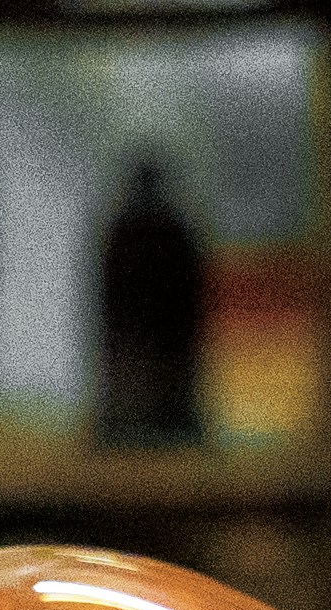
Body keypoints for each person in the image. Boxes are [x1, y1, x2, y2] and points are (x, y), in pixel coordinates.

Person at [93, 155, 208, 446]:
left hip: (139, 340)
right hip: (164, 340)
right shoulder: (174, 229)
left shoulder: (124, 230)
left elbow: (110, 294)